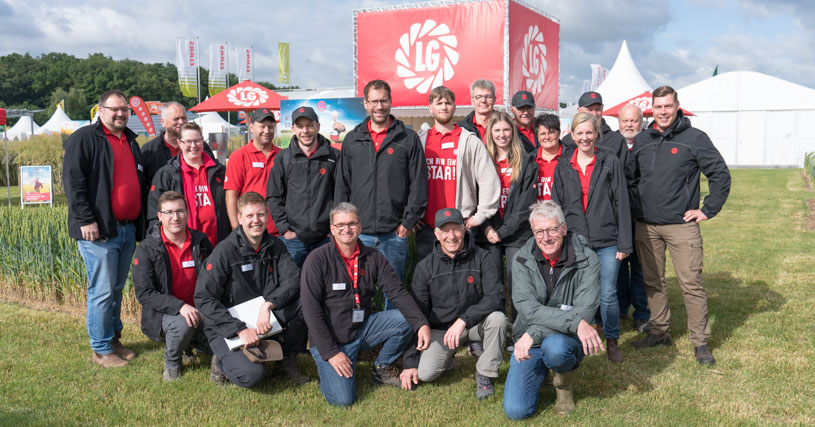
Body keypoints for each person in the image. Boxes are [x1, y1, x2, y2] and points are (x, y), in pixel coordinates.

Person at [626, 86, 731, 366]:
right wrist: (637, 207)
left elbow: (719, 173)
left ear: (677, 106)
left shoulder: (694, 138)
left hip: (681, 227)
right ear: (652, 108)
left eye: (667, 106)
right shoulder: (643, 140)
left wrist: (707, 210)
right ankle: (660, 332)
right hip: (647, 227)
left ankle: (700, 342)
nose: (662, 112)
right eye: (658, 107)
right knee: (652, 281)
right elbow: (631, 178)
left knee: (691, 284)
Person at [301, 202, 431, 407]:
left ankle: (381, 367)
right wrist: (332, 353)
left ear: (360, 226)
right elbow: (311, 311)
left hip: (362, 329)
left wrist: (421, 323)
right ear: (332, 229)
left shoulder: (373, 257)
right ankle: (328, 366)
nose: (347, 229)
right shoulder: (317, 260)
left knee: (406, 319)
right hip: (331, 340)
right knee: (343, 400)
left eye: (352, 223)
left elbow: (397, 292)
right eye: (341, 225)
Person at [63, 89, 145, 368]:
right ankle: (100, 349)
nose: (121, 113)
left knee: (117, 289)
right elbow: (73, 183)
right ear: (101, 111)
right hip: (98, 231)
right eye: (115, 109)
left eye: (125, 109)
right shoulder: (84, 139)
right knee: (102, 290)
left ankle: (113, 340)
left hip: (126, 229)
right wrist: (86, 219)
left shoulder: (130, 142)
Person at [195, 192, 310, 388]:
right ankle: (220, 362)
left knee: (306, 303)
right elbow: (204, 298)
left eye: (260, 215)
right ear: (239, 218)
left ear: (267, 216)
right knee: (252, 376)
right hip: (228, 325)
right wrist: (238, 329)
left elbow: (294, 279)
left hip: (264, 318)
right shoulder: (225, 251)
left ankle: (287, 359)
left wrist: (268, 305)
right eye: (250, 216)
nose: (256, 221)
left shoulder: (276, 245)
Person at [503, 200, 603, 419]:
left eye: (552, 230)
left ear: (564, 228)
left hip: (563, 338)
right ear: (533, 232)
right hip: (530, 341)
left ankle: (563, 388)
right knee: (516, 411)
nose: (546, 237)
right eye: (539, 231)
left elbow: (584, 314)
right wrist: (573, 321)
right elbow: (526, 309)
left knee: (556, 348)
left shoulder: (588, 259)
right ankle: (540, 375)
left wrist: (534, 332)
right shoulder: (521, 258)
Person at [402, 208, 508, 399]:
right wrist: (410, 362)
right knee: (426, 374)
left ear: (464, 230)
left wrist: (463, 321)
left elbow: (496, 296)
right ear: (436, 233)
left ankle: (485, 374)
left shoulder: (483, 257)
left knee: (498, 319)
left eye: (456, 230)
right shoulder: (425, 267)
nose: (451, 236)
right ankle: (447, 358)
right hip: (443, 330)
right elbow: (418, 314)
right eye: (445, 230)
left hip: (475, 324)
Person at [552, 112, 631, 363]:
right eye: (579, 133)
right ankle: (577, 336)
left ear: (596, 134)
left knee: (607, 293)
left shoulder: (609, 161)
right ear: (572, 135)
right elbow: (557, 205)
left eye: (589, 132)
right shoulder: (563, 164)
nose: (584, 138)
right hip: (575, 239)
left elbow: (622, 201)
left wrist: (624, 242)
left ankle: (612, 340)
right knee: (576, 293)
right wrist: (557, 239)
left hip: (607, 238)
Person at [334, 80, 428, 288]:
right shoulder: (352, 140)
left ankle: (392, 322)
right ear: (365, 104)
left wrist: (406, 224)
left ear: (391, 102)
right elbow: (342, 185)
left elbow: (418, 185)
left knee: (393, 293)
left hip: (394, 234)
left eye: (383, 101)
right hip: (359, 233)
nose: (379, 106)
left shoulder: (408, 139)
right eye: (374, 101)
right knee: (357, 290)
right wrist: (344, 225)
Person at [133, 191, 214, 381]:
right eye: (168, 212)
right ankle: (172, 362)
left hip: (200, 310)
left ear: (187, 212)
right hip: (166, 313)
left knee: (223, 345)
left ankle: (191, 343)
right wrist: (180, 307)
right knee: (184, 324)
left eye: (179, 211)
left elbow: (214, 278)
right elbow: (144, 293)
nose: (175, 217)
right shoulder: (147, 248)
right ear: (159, 216)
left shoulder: (200, 242)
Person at [414, 85, 500, 263]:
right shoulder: (420, 140)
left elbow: (488, 180)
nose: (444, 107)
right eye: (439, 103)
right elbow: (406, 180)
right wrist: (411, 217)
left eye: (448, 103)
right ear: (430, 108)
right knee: (428, 281)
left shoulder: (469, 140)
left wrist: (481, 214)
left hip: (461, 226)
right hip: (428, 227)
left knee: (463, 281)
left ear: (454, 107)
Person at [482, 112, 538, 323]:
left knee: (518, 283)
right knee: (492, 284)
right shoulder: (483, 160)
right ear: (490, 133)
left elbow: (526, 205)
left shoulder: (525, 161)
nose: (502, 134)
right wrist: (487, 228)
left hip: (517, 233)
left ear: (513, 132)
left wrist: (503, 232)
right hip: (488, 233)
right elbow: (477, 197)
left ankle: (518, 331)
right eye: (497, 130)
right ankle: (495, 331)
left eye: (506, 129)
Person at [267, 106, 339, 267]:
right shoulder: (283, 159)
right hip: (293, 241)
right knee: (293, 287)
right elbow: (273, 196)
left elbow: (341, 195)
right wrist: (285, 230)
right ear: (293, 129)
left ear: (318, 126)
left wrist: (333, 229)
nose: (305, 131)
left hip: (326, 238)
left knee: (325, 287)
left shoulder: (334, 157)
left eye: (309, 125)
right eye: (300, 126)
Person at [148, 122, 229, 247]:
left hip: (217, 244)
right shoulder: (167, 174)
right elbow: (155, 215)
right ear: (179, 143)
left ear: (203, 142)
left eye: (197, 141)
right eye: (188, 142)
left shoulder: (219, 171)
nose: (193, 146)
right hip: (182, 245)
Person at [615, 104, 650, 334]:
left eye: (634, 121)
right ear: (619, 123)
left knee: (639, 269)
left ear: (641, 122)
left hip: (642, 218)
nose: (629, 125)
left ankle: (642, 314)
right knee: (617, 269)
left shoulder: (649, 144)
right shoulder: (610, 145)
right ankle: (619, 309)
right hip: (616, 219)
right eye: (625, 121)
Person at [225, 108, 281, 237]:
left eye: (270, 127)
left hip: (280, 232)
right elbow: (231, 196)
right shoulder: (239, 156)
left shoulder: (282, 155)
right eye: (262, 126)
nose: (267, 131)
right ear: (251, 127)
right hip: (250, 231)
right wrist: (236, 230)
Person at [140, 102, 214, 187]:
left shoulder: (200, 147)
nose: (181, 122)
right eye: (176, 119)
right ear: (163, 122)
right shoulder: (149, 150)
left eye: (184, 118)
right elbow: (142, 184)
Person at [534, 113, 570, 201]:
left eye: (551, 133)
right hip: (537, 212)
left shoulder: (571, 158)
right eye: (542, 134)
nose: (547, 137)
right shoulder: (529, 160)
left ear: (559, 133)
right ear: (537, 136)